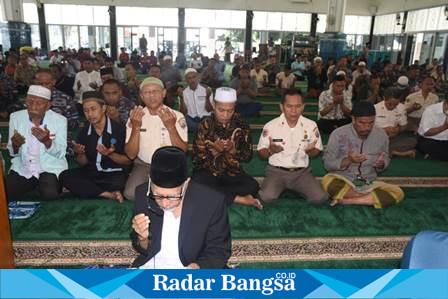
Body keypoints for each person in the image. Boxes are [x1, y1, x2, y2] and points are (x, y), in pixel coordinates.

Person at [131, 146, 231, 269]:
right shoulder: (142, 193)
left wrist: (196, 267)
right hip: (152, 266)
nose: (165, 203)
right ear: (150, 182)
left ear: (186, 183)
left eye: (173, 196)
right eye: (158, 195)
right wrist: (142, 238)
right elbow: (142, 248)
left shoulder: (212, 201)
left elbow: (219, 250)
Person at [321, 101, 404, 208]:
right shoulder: (338, 134)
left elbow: (386, 158)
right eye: (362, 123)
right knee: (327, 181)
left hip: (369, 183)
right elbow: (328, 164)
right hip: (344, 179)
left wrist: (381, 164)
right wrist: (348, 160)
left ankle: (348, 200)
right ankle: (366, 198)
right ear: (353, 119)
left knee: (398, 192)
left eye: (371, 123)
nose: (367, 127)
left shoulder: (381, 135)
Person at [192, 87, 262, 209]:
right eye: (221, 110)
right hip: (209, 172)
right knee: (197, 183)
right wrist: (213, 152)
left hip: (231, 173)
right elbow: (196, 159)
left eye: (230, 111)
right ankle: (238, 198)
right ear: (214, 105)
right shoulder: (205, 125)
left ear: (234, 107)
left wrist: (233, 150)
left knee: (253, 186)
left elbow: (247, 156)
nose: (225, 115)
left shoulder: (242, 124)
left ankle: (217, 194)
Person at [257, 88, 328, 204]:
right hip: (276, 171)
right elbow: (261, 153)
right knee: (267, 197)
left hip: (301, 172)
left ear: (303, 107)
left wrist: (310, 152)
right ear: (282, 107)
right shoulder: (270, 126)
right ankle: (283, 187)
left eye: (298, 106)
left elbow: (317, 151)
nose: (294, 111)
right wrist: (270, 151)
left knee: (319, 198)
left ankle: (296, 187)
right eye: (289, 106)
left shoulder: (311, 125)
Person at [59, 91, 131, 202]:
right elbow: (83, 163)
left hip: (114, 173)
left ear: (103, 108)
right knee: (65, 176)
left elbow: (127, 161)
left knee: (120, 182)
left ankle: (87, 190)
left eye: (93, 109)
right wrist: (81, 153)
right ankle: (108, 194)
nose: (90, 114)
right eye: (86, 110)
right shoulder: (84, 132)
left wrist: (110, 154)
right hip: (92, 172)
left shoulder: (119, 130)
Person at [124, 77, 188, 200]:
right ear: (141, 96)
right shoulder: (135, 117)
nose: (151, 95)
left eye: (155, 91)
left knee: (177, 195)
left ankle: (157, 187)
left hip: (170, 163)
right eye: (147, 92)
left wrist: (171, 127)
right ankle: (157, 188)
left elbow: (183, 150)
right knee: (130, 194)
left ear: (163, 93)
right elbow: (131, 155)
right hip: (144, 164)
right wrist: (136, 127)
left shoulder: (176, 116)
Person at [6, 85, 67, 201]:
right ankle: (32, 183)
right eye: (30, 102)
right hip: (24, 167)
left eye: (39, 103)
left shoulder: (60, 120)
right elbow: (13, 153)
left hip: (49, 167)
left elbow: (61, 153)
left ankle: (38, 184)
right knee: (4, 192)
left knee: (50, 195)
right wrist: (15, 145)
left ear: (48, 106)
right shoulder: (15, 117)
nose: (33, 106)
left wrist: (47, 142)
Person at [375, 87, 417, 157]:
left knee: (413, 141)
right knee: (369, 143)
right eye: (390, 104)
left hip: (392, 138)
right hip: (377, 138)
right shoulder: (375, 108)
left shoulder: (401, 107)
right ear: (384, 98)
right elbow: (368, 129)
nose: (393, 107)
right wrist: (384, 130)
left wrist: (397, 130)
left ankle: (386, 151)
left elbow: (403, 126)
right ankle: (397, 152)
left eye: (396, 104)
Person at [180, 68, 213, 132]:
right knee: (183, 120)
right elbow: (183, 112)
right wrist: (181, 98)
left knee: (210, 120)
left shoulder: (206, 89)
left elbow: (209, 110)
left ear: (198, 77)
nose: (192, 80)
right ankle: (201, 128)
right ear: (186, 80)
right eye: (189, 78)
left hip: (205, 117)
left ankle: (198, 128)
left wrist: (207, 97)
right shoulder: (183, 92)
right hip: (191, 118)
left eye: (194, 77)